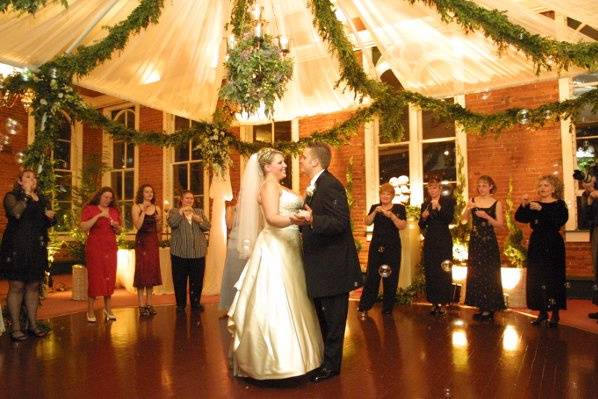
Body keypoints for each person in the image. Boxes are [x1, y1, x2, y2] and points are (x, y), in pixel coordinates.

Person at [227, 148, 323, 380]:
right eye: (280, 162)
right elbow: (271, 217)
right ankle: (274, 362)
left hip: (290, 246)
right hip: (275, 247)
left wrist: (304, 213)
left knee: (295, 296)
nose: (285, 165)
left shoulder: (280, 187)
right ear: (267, 167)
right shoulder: (269, 186)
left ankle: (299, 357)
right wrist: (297, 218)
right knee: (278, 298)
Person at [298, 142, 363, 383]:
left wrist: (313, 218)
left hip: (333, 265)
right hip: (320, 263)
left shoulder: (331, 185)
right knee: (323, 316)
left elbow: (340, 223)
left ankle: (332, 366)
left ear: (316, 161)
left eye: (304, 157)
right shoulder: (316, 186)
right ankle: (324, 360)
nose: (301, 160)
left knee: (334, 319)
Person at [0, 170, 55, 340]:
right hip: (16, 246)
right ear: (20, 181)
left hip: (36, 247)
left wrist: (51, 217)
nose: (32, 180)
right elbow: (16, 213)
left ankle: (32, 324)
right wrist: (26, 195)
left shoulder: (42, 199)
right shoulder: (12, 196)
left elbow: (48, 222)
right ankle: (16, 327)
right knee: (17, 286)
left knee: (33, 286)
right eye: (28, 177)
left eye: (34, 177)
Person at [515, 175, 568, 327]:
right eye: (541, 186)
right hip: (537, 243)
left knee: (553, 277)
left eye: (546, 185)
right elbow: (520, 218)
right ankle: (542, 313)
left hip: (553, 243)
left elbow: (559, 220)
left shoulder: (559, 204)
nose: (542, 188)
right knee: (537, 277)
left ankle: (555, 313)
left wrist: (542, 209)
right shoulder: (535, 204)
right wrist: (524, 205)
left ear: (553, 188)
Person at [358, 183, 407, 318]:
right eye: (383, 194)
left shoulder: (399, 208)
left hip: (392, 247)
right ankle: (364, 307)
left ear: (392, 196)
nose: (385, 196)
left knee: (390, 278)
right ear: (380, 195)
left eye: (388, 194)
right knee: (372, 277)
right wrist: (374, 212)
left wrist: (392, 216)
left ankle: (387, 309)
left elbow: (402, 225)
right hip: (376, 247)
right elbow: (367, 222)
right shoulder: (375, 207)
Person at [462, 175, 505, 320]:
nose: (481, 188)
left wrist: (486, 216)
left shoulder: (496, 203)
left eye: (484, 185)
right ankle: (480, 305)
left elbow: (500, 224)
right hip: (475, 240)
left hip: (488, 241)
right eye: (479, 186)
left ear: (491, 186)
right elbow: (463, 219)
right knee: (476, 272)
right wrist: (468, 208)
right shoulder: (473, 201)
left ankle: (490, 307)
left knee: (489, 272)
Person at [80, 186, 121, 322]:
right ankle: (90, 310)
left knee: (109, 276)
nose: (108, 200)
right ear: (99, 196)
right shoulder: (90, 209)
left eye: (110, 198)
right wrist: (98, 216)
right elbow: (84, 227)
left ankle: (108, 309)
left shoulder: (114, 211)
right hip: (95, 248)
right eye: (105, 197)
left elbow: (119, 231)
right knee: (95, 278)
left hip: (110, 247)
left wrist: (116, 226)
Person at [167, 190, 210, 313]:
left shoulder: (199, 212)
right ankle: (180, 305)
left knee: (197, 280)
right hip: (179, 253)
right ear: (181, 199)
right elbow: (172, 223)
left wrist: (199, 220)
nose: (189, 200)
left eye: (191, 198)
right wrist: (180, 213)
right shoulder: (174, 211)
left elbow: (208, 226)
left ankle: (195, 303)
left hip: (198, 253)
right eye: (187, 198)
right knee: (179, 280)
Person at [418, 176, 455, 316]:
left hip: (444, 239)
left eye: (435, 187)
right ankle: (434, 303)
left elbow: (449, 219)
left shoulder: (448, 201)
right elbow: (421, 225)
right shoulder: (425, 204)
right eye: (430, 188)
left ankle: (444, 303)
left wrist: (438, 207)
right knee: (431, 270)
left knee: (443, 270)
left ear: (440, 188)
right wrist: (424, 217)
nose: (432, 190)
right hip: (431, 240)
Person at [132, 184, 162, 317]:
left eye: (151, 192)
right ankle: (141, 305)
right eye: (146, 191)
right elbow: (137, 225)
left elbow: (159, 229)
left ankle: (150, 304)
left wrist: (158, 220)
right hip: (142, 242)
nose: (149, 194)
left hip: (153, 241)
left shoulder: (157, 208)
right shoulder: (136, 207)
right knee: (142, 272)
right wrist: (143, 211)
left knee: (151, 272)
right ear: (142, 193)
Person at [218, 199, 246, 313]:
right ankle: (229, 305)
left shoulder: (254, 207)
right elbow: (229, 225)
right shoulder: (231, 208)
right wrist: (234, 210)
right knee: (232, 272)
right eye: (240, 194)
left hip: (248, 242)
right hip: (234, 242)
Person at [579, 172, 598, 322]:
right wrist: (590, 201)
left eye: (589, 181)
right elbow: (586, 220)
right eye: (584, 182)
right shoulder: (587, 196)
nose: (587, 184)